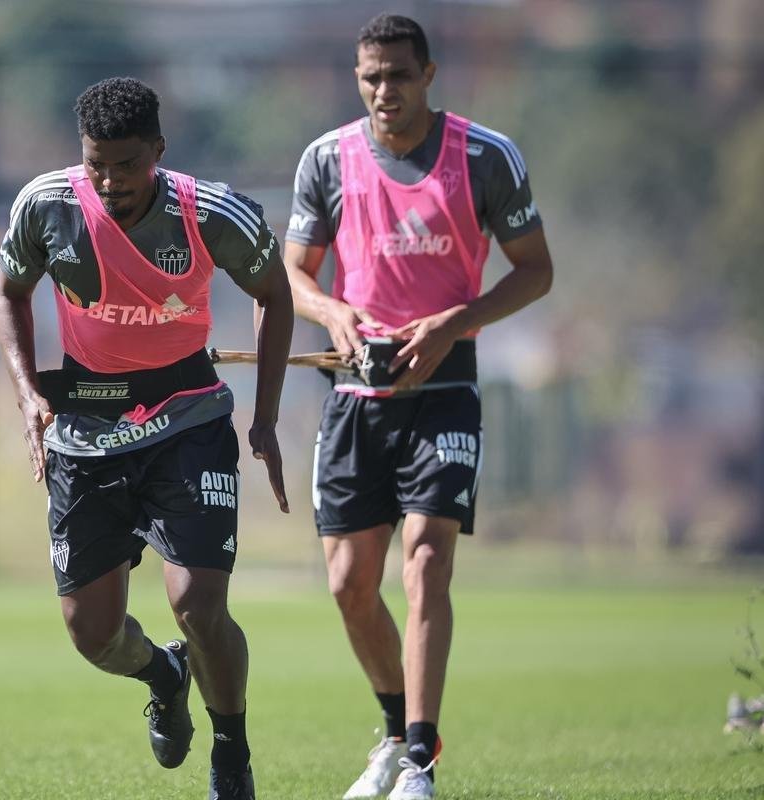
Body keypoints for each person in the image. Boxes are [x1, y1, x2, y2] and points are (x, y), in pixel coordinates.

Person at [0, 76, 293, 800]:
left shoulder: (210, 212)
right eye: (96, 162)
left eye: (125, 164)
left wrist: (264, 419)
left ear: (157, 151)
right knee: (92, 634)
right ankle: (164, 674)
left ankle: (230, 756)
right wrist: (30, 393)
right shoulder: (45, 206)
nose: (109, 179)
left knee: (198, 604)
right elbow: (8, 294)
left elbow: (274, 295)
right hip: (86, 434)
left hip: (188, 421)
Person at [284, 14, 553, 800]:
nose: (382, 91)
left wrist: (453, 322)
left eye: (397, 75)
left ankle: (422, 765)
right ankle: (396, 736)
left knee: (427, 561)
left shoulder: (484, 157)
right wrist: (333, 313)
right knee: (346, 585)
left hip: (444, 394)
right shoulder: (325, 159)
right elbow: (294, 276)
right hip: (354, 398)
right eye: (369, 77)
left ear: (428, 76)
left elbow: (534, 271)